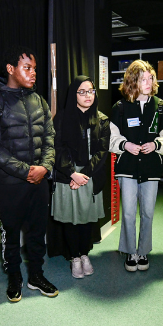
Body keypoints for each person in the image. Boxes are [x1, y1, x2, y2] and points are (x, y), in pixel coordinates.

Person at [0, 46, 58, 302]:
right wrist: (26, 172)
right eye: (27, 67)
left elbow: (49, 136)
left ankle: (36, 275)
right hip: (11, 182)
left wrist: (44, 167)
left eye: (34, 68)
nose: (33, 73)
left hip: (39, 180)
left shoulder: (39, 100)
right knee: (11, 234)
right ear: (11, 69)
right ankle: (14, 277)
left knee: (37, 232)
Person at [109, 60, 163, 272]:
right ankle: (130, 251)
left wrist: (156, 144)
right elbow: (111, 137)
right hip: (127, 167)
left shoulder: (160, 107)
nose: (148, 83)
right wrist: (125, 144)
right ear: (132, 81)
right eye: (143, 79)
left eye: (150, 78)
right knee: (128, 212)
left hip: (150, 168)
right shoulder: (119, 107)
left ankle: (143, 251)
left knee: (147, 212)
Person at [48, 76, 110, 278]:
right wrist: (73, 173)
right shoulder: (62, 118)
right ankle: (74, 257)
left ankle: (84, 254)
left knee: (86, 219)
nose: (87, 95)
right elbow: (57, 148)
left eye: (90, 91)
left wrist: (84, 175)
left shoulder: (102, 119)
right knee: (70, 219)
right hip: (68, 176)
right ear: (74, 93)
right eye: (82, 91)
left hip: (90, 175)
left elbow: (102, 152)